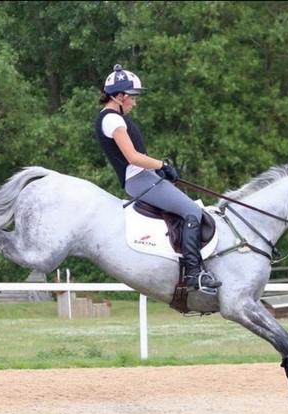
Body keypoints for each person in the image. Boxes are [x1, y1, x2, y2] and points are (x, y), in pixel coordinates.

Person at [94, 63, 221, 293]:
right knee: (192, 211)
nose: (135, 102)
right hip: (139, 179)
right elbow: (132, 157)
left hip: (144, 176)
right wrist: (162, 165)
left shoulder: (111, 118)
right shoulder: (113, 120)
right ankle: (194, 274)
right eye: (133, 97)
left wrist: (158, 169)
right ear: (120, 96)